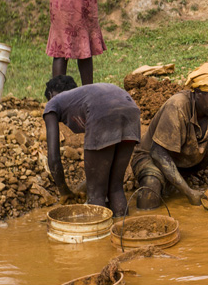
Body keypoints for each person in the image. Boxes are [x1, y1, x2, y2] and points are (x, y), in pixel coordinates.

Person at [131, 63, 208, 209]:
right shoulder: (177, 106)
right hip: (152, 158)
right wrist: (188, 192)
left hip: (188, 162)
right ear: (198, 94)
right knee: (150, 191)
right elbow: (158, 153)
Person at [43, 76, 140, 217]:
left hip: (104, 112)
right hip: (130, 110)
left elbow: (53, 158)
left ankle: (100, 238)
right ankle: (122, 228)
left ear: (51, 94)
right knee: (115, 188)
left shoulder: (52, 103)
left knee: (96, 194)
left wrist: (64, 192)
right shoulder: (84, 94)